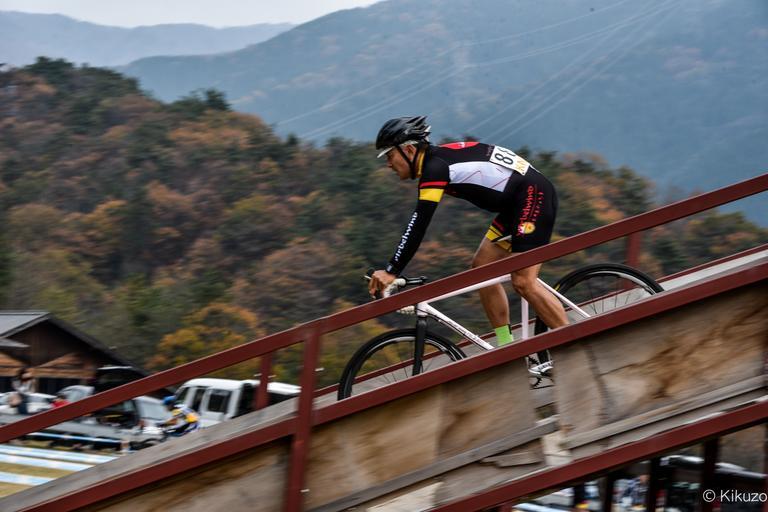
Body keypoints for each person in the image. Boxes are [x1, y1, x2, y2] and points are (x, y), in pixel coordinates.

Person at [368, 116, 567, 348]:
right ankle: (506, 345)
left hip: (533, 198)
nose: (389, 164)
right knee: (482, 269)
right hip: (516, 204)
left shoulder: (435, 169)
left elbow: (419, 222)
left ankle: (576, 338)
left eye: (390, 156)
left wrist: (392, 270)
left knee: (523, 281)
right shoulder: (437, 160)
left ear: (409, 150)